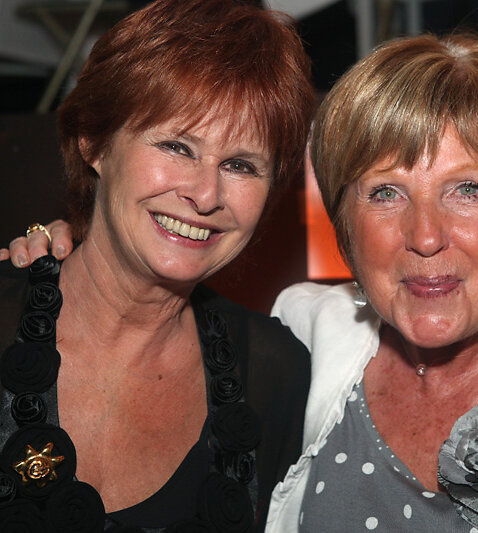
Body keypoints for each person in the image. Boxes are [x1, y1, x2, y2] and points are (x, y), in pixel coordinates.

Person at [0, 0, 314, 530]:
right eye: (177, 146)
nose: (206, 194)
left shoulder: (275, 375)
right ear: (94, 142)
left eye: (240, 165)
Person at [266, 33, 478, 532]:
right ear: (344, 224)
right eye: (386, 192)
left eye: (467, 189)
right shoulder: (298, 341)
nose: (425, 237)